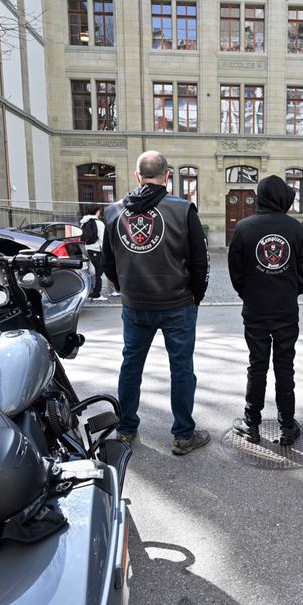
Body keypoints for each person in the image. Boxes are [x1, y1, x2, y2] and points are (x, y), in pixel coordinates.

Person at [102, 150, 210, 455]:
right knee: (181, 369)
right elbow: (200, 262)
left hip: (135, 305)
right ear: (167, 176)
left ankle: (125, 429)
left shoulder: (113, 212)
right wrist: (196, 296)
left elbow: (107, 263)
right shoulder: (183, 209)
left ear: (137, 176)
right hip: (177, 303)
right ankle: (182, 435)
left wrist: (125, 288)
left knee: (131, 366)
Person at [227, 175, 303, 446]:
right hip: (286, 309)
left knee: (257, 365)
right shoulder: (295, 229)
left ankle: (251, 424)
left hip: (256, 310)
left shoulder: (244, 228)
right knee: (285, 367)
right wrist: (289, 291)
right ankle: (287, 426)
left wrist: (249, 294)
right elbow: (302, 270)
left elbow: (236, 272)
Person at [80, 205, 106, 301]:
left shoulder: (83, 222)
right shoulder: (99, 223)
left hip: (87, 249)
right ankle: (97, 294)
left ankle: (90, 291)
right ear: (98, 211)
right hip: (96, 249)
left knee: (91, 271)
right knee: (99, 271)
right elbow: (103, 238)